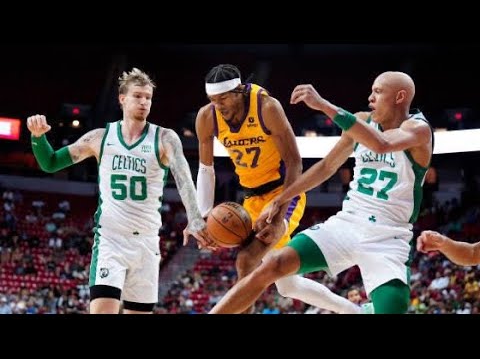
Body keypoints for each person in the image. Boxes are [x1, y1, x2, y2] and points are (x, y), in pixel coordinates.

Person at [210, 71, 433, 314]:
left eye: (378, 92)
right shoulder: (361, 122)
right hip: (348, 223)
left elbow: (382, 143)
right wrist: (280, 199)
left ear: (400, 97)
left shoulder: (419, 130)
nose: (370, 97)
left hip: (388, 237)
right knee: (273, 265)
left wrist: (323, 105)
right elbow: (327, 166)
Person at [27, 67, 210, 314]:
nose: (144, 102)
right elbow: (50, 163)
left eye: (148, 97)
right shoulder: (100, 138)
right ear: (122, 99)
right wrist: (38, 138)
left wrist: (196, 218)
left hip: (147, 242)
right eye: (138, 96)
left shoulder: (165, 138)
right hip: (110, 241)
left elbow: (184, 179)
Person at [196, 64, 361, 314]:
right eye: (213, 100)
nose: (218, 105)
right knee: (287, 285)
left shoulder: (267, 107)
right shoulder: (207, 117)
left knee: (246, 260)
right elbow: (206, 169)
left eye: (223, 99)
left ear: (239, 91)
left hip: (284, 192)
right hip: (251, 197)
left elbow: (295, 162)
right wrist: (203, 217)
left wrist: (279, 213)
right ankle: (355, 311)